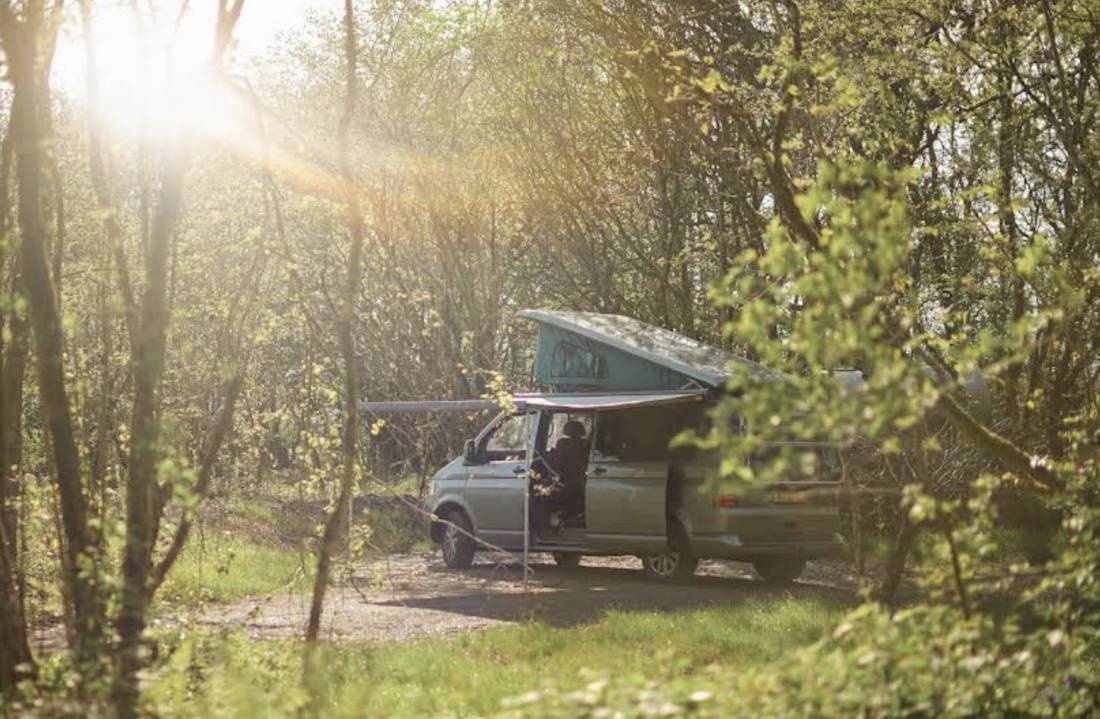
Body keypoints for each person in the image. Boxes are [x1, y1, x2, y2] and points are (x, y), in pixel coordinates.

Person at [543, 419, 589, 519]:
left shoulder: (562, 444)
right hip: (580, 479)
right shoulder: (586, 445)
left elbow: (556, 462)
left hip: (564, 479)